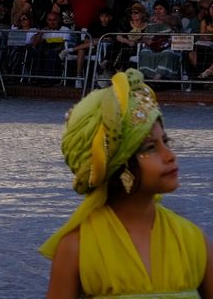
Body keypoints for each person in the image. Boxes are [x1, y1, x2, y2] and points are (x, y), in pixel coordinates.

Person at [41, 69, 211, 298]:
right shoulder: (77, 248)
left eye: (165, 141)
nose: (170, 155)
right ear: (120, 164)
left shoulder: (192, 241)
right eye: (150, 147)